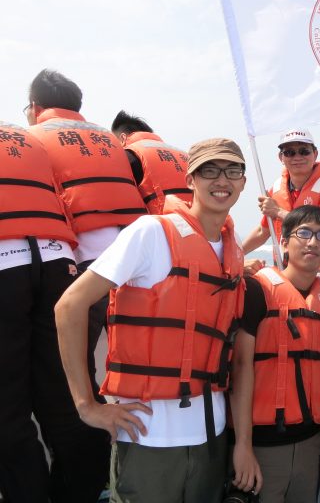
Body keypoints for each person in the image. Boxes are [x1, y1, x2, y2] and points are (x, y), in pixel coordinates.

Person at [55, 138, 247, 503]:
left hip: (212, 435)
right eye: (209, 170)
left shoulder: (232, 251)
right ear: (190, 178)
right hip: (149, 436)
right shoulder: (150, 232)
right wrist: (87, 405)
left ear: (243, 181)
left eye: (232, 170)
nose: (222, 180)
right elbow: (69, 306)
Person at [0, 121, 110, 503]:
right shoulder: (28, 138)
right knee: (64, 396)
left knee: (7, 412)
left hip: (4, 268)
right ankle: (88, 492)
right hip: (58, 258)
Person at [26, 69, 147, 399]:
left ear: (35, 107)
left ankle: (91, 429)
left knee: (74, 369)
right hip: (139, 254)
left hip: (89, 264)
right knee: (139, 356)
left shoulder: (34, 137)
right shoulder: (112, 140)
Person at [230, 205, 320, 503]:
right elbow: (242, 369)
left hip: (311, 444)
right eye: (304, 233)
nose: (313, 242)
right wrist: (243, 446)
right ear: (283, 242)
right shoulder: (257, 292)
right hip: (261, 445)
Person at [243, 128, 320, 257]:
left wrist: (278, 212)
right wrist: (237, 255)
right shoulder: (275, 190)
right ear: (281, 157)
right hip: (284, 269)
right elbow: (263, 231)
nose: (297, 157)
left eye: (304, 151)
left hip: (319, 267)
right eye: (289, 153)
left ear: (315, 154)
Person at [111, 110, 192, 214]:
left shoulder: (130, 154)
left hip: (164, 226)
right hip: (200, 225)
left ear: (122, 138)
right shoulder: (185, 155)